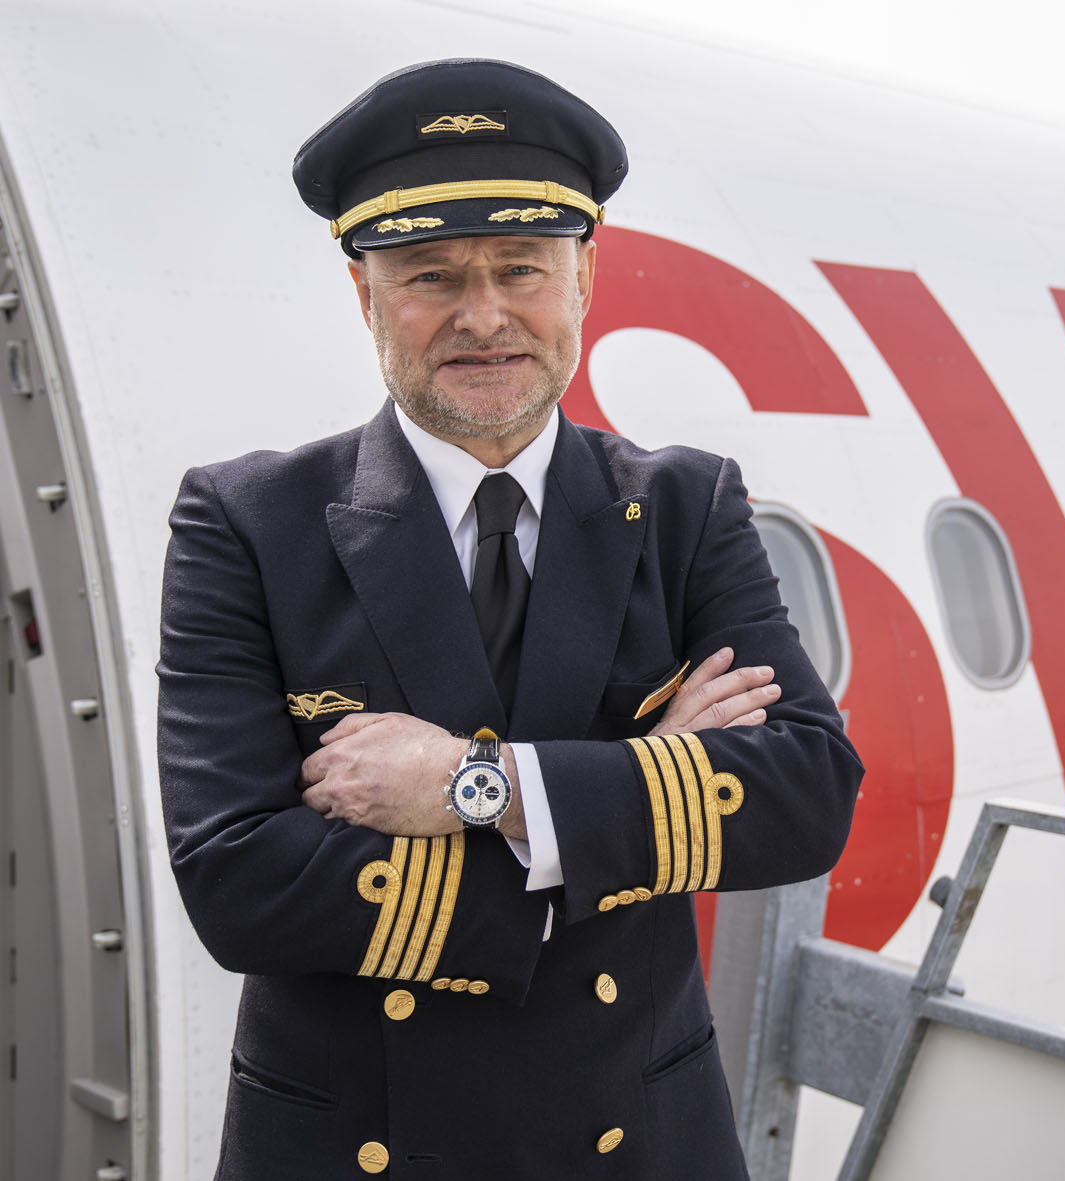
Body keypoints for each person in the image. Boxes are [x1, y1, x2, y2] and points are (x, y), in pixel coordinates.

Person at [157, 58, 861, 1179]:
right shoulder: (246, 522)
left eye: (521, 267)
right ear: (365, 294)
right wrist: (631, 796)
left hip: (636, 1141)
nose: (482, 316)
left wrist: (472, 785)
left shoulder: (686, 506)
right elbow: (239, 886)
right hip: (353, 1145)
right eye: (430, 274)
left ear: (584, 278)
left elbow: (806, 795)